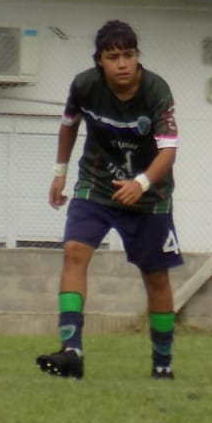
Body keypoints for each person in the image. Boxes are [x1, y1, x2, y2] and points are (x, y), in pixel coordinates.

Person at [36, 20, 182, 381]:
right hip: (97, 185)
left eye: (128, 55)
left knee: (157, 279)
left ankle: (162, 364)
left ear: (137, 57)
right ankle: (72, 350)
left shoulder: (156, 91)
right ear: (100, 60)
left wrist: (142, 182)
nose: (122, 64)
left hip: (150, 196)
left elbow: (168, 153)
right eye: (112, 56)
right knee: (73, 251)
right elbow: (69, 124)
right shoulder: (85, 85)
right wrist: (59, 172)